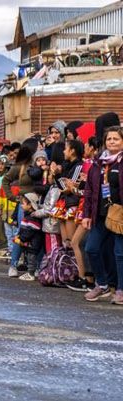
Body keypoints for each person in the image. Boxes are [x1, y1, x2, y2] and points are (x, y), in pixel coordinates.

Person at [82, 126, 123, 304]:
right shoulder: (98, 163)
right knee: (91, 248)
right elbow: (89, 190)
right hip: (100, 214)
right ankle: (102, 284)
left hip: (120, 216)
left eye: (116, 138)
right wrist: (86, 215)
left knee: (120, 253)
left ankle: (120, 290)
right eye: (109, 139)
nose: (112, 142)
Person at [65, 137, 101, 292]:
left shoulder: (93, 165)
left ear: (92, 148)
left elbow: (87, 192)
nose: (85, 148)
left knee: (77, 242)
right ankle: (87, 278)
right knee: (79, 243)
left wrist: (73, 188)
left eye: (87, 145)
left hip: (90, 208)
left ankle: (87, 279)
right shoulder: (89, 164)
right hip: (85, 207)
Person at [2, 139, 37, 277]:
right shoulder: (20, 166)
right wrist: (12, 196)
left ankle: (35, 266)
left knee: (37, 235)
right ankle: (13, 265)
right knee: (21, 234)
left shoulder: (39, 163)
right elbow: (6, 180)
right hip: (24, 205)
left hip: (38, 205)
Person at [15, 193, 44, 281]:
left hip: (33, 242)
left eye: (23, 203)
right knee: (29, 257)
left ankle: (31, 273)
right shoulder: (28, 215)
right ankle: (32, 272)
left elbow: (30, 231)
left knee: (31, 258)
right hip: (30, 242)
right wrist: (19, 235)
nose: (21, 205)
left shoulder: (33, 217)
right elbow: (24, 228)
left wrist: (21, 238)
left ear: (30, 205)